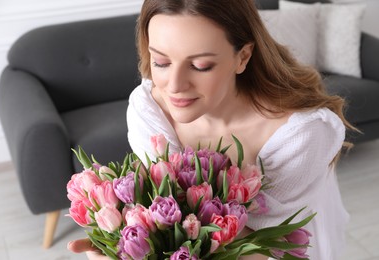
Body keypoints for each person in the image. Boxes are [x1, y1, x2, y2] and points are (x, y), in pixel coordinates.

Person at [68, 0, 354, 259]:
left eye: (200, 65)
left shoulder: (302, 133)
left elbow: (257, 246)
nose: (175, 86)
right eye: (161, 62)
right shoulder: (150, 110)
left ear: (242, 57)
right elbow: (165, 214)